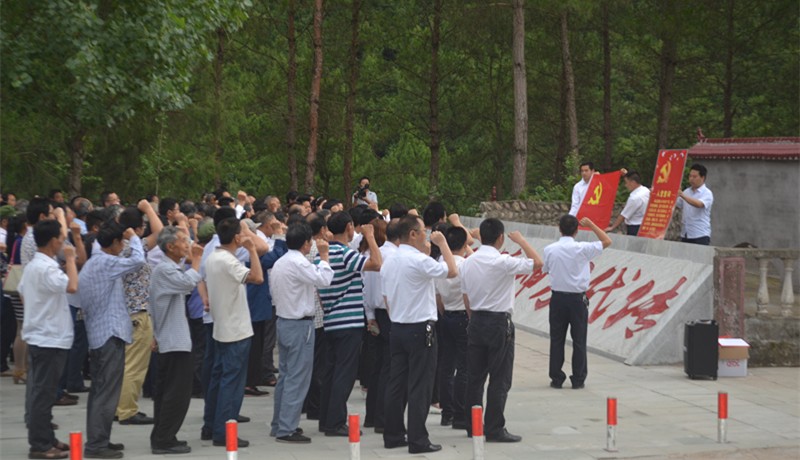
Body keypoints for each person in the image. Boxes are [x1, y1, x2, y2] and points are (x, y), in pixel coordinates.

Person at [460, 218, 543, 442]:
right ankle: (495, 428)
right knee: (499, 378)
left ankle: (473, 425)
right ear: (500, 238)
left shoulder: (468, 262)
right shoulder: (503, 262)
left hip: (476, 320)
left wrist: (473, 318)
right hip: (498, 322)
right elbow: (537, 263)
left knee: (475, 377)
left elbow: (465, 296)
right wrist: (522, 241)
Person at [381, 215, 457, 454]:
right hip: (419, 327)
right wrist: (442, 244)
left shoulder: (390, 260)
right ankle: (417, 438)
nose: (426, 235)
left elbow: (386, 297)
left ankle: (393, 434)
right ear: (412, 234)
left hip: (398, 326)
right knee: (420, 386)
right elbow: (452, 270)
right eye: (423, 231)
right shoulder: (417, 260)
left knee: (397, 383)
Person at [78, 220, 145, 459]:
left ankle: (101, 439)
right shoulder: (105, 262)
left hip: (101, 334)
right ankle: (97, 445)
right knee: (106, 393)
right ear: (114, 243)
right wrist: (134, 237)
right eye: (122, 242)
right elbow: (138, 261)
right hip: (108, 334)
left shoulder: (97, 259)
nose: (124, 245)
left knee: (101, 391)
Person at [317, 211, 381, 436]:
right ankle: (335, 422)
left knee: (331, 372)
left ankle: (326, 419)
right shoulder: (345, 253)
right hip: (349, 322)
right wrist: (371, 238)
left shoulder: (322, 255)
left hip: (331, 320)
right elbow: (376, 263)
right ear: (349, 228)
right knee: (344, 373)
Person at [269, 223, 334, 443]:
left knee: (286, 377)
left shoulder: (280, 262)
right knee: (297, 378)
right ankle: (286, 427)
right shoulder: (298, 262)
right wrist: (324, 257)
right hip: (299, 325)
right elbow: (324, 280)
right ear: (306, 243)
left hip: (284, 321)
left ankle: (280, 423)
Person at [19, 220, 78, 460]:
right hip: (49, 339)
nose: (63, 243)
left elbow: (23, 292)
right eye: (62, 239)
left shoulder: (35, 265)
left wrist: (38, 311)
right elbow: (73, 286)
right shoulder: (47, 268)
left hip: (41, 334)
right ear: (54, 240)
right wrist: (72, 259)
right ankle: (40, 445)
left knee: (43, 391)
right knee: (43, 394)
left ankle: (46, 438)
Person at [204, 217, 263, 448]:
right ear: (237, 237)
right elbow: (257, 277)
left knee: (219, 379)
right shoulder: (229, 261)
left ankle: (211, 424)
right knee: (232, 382)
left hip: (222, 326)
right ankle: (224, 430)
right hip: (236, 329)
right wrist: (252, 250)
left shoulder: (213, 257)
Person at [147, 226, 204, 454]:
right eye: (183, 240)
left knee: (169, 392)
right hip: (173, 341)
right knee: (176, 394)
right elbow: (188, 282)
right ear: (170, 247)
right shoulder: (164, 269)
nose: (187, 244)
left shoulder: (170, 267)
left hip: (172, 339)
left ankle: (164, 435)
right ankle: (163, 439)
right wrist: (197, 260)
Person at [544, 215, 611, 391]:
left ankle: (556, 378)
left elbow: (546, 269)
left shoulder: (550, 249)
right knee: (579, 340)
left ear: (559, 228)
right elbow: (607, 240)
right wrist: (592, 224)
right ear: (577, 230)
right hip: (577, 298)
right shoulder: (583, 248)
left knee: (556, 339)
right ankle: (578, 378)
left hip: (558, 297)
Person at [434, 226, 470, 430]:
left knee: (446, 366)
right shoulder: (465, 265)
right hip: (463, 317)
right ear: (465, 245)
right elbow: (469, 296)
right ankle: (459, 413)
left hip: (446, 315)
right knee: (464, 367)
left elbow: (437, 296)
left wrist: (444, 312)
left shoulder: (441, 265)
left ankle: (446, 413)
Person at [676, 163, 714, 245]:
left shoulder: (707, 193)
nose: (691, 179)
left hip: (700, 234)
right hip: (685, 234)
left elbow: (699, 204)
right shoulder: (687, 191)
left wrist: (682, 195)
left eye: (694, 177)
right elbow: (678, 204)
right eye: (690, 176)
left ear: (702, 178)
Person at [607, 170, 650, 236]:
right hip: (645, 225)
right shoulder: (646, 191)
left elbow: (624, 215)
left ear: (633, 182)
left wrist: (612, 227)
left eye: (626, 182)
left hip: (634, 227)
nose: (625, 185)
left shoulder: (634, 198)